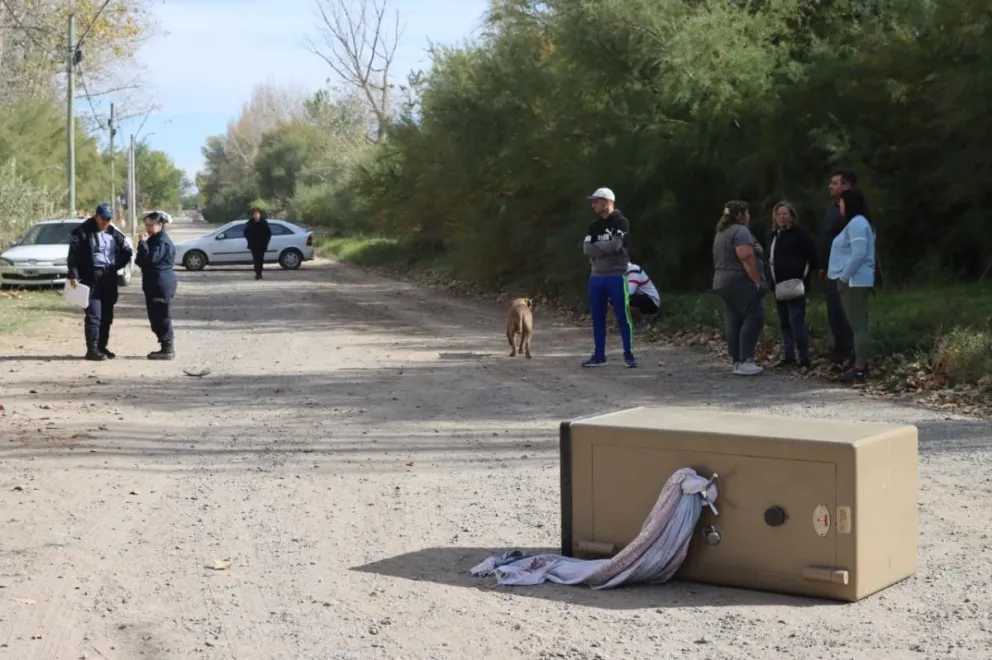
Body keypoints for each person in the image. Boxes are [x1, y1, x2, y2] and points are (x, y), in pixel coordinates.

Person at [66, 203, 134, 361]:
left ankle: (102, 347)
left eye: (108, 219)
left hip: (109, 277)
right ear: (96, 216)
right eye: (103, 218)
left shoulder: (114, 233)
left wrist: (116, 265)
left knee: (107, 315)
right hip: (91, 276)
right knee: (93, 315)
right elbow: (73, 254)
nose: (105, 222)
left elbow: (127, 251)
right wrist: (73, 274)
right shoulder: (84, 232)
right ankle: (92, 349)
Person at [581, 187, 637, 368]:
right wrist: (603, 247)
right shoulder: (594, 225)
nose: (593, 205)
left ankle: (629, 355)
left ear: (607, 202)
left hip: (617, 275)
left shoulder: (621, 222)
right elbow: (586, 249)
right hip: (596, 276)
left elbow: (616, 245)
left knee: (622, 316)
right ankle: (599, 355)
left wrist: (598, 246)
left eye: (596, 201)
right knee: (597, 317)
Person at [828, 187, 876, 382]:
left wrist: (844, 277)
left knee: (858, 326)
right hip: (855, 280)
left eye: (841, 202)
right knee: (858, 324)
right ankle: (859, 363)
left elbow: (858, 253)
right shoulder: (859, 223)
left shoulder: (857, 223)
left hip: (854, 281)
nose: (839, 205)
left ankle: (859, 368)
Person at [712, 200, 766, 376]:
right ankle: (746, 359)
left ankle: (736, 360)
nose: (749, 217)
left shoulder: (721, 232)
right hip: (739, 280)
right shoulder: (740, 231)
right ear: (740, 215)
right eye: (747, 213)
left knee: (734, 318)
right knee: (754, 316)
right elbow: (746, 256)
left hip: (721, 280)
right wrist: (756, 281)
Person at [766, 201, 818, 369]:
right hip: (779, 285)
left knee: (797, 320)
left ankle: (804, 357)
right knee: (784, 322)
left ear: (791, 215)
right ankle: (788, 355)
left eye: (785, 214)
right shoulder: (773, 237)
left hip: (797, 283)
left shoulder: (801, 234)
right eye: (779, 214)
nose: (782, 217)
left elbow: (813, 255)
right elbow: (769, 261)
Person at [817, 170, 858, 365]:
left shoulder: (854, 212)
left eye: (835, 183)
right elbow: (826, 238)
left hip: (846, 268)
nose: (830, 186)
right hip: (830, 268)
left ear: (846, 186)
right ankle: (839, 349)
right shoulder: (832, 210)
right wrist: (822, 265)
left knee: (846, 311)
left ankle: (853, 352)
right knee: (834, 312)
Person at [135, 210, 178, 360]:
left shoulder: (162, 242)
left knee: (162, 314)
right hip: (152, 282)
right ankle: (164, 346)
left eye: (151, 225)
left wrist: (142, 243)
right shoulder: (152, 240)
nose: (147, 228)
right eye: (146, 225)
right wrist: (143, 244)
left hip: (161, 282)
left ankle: (168, 348)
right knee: (155, 315)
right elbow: (139, 261)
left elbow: (150, 259)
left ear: (160, 225)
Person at [626, 262, 660, 333]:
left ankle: (642, 324)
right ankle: (637, 322)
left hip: (652, 301)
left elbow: (629, 292)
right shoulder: (623, 272)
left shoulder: (634, 270)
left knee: (623, 300)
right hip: (643, 298)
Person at [244, 208, 272, 280]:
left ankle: (260, 273)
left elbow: (268, 234)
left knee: (261, 259)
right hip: (253, 245)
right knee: (256, 259)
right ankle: (257, 273)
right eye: (255, 214)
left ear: (259, 215)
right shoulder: (250, 223)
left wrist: (266, 242)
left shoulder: (264, 223)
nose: (256, 216)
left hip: (262, 244)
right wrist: (250, 240)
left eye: (257, 214)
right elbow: (246, 233)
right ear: (253, 215)